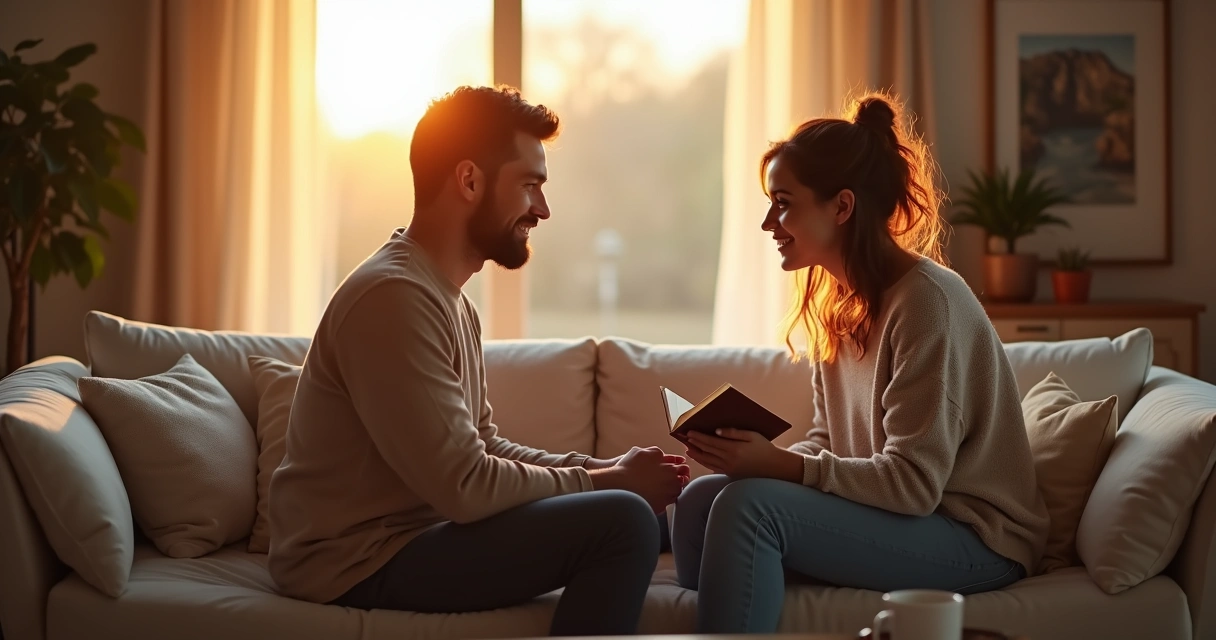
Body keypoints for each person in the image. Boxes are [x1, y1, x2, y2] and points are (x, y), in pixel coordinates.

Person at [268, 85, 689, 636]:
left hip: (419, 533)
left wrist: (602, 472)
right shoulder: (392, 298)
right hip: (355, 561)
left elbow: (483, 446)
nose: (542, 209)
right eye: (529, 186)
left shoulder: (448, 299)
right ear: (469, 180)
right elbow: (466, 487)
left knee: (652, 512)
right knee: (626, 521)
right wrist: (610, 483)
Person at [672, 93, 1051, 633]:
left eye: (783, 202)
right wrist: (754, 455)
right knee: (700, 501)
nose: (767, 223)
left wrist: (780, 469)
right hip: (897, 519)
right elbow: (831, 443)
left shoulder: (927, 304)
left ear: (842, 207)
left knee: (748, 509)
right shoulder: (839, 303)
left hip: (973, 536)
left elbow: (915, 485)